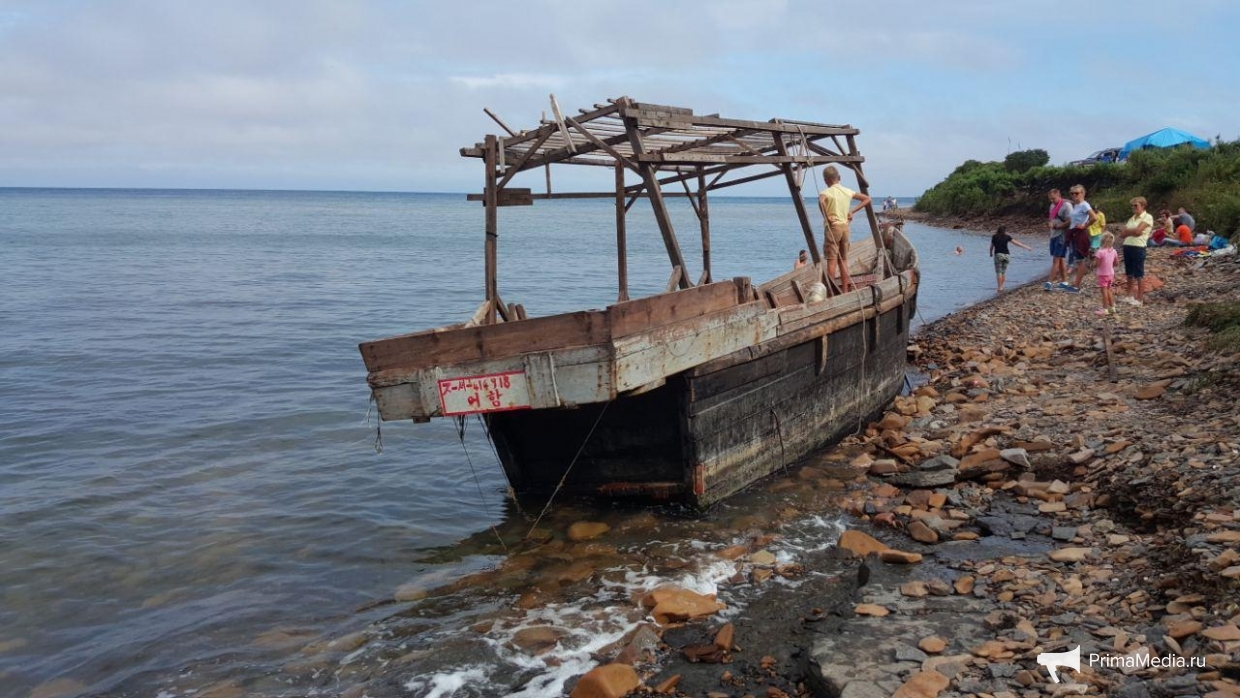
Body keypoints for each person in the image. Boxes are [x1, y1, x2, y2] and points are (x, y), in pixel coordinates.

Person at [818, 166, 871, 293]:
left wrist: (827, 217)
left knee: (832, 260)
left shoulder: (826, 192)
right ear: (839, 178)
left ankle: (830, 292)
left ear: (826, 180)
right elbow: (867, 199)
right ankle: (846, 290)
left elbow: (821, 202)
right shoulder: (847, 191)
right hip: (845, 228)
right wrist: (852, 211)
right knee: (844, 260)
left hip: (833, 228)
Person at [1120, 196, 1153, 306]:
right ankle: (1129, 295)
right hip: (1128, 246)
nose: (1133, 208)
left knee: (1139, 273)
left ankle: (1139, 298)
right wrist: (1132, 231)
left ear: (1143, 206)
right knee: (1129, 273)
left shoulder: (1147, 217)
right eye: (1132, 206)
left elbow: (1138, 231)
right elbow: (1122, 234)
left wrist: (1129, 231)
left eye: (1136, 205)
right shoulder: (1132, 218)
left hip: (1138, 246)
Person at [1066, 185, 1098, 292]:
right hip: (1074, 234)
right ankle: (1075, 283)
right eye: (1072, 193)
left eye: (1077, 193)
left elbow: (1094, 217)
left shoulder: (1084, 205)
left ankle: (1076, 285)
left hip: (1080, 234)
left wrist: (1085, 226)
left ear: (1083, 193)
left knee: (1080, 261)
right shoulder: (1076, 205)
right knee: (1078, 259)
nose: (1074, 195)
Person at [989, 225, 1032, 292]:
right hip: (1007, 256)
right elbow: (1016, 243)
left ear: (998, 230)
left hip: (998, 255)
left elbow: (991, 246)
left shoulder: (994, 236)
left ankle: (999, 287)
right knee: (1003, 272)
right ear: (1005, 231)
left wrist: (991, 253)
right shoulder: (1007, 237)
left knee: (999, 272)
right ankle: (1002, 286)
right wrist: (1026, 247)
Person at [1045, 188, 1072, 290]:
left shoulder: (1066, 206)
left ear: (1059, 195)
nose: (1052, 201)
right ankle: (1064, 281)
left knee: (1056, 259)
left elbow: (1070, 221)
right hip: (1053, 234)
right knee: (1060, 259)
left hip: (1062, 235)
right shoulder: (1052, 206)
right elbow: (1051, 219)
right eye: (1050, 199)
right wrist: (1050, 224)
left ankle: (1049, 282)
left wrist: (1058, 226)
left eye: (1054, 199)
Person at [1093, 232, 1119, 317]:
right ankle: (1112, 307)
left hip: (1102, 274)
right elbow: (1116, 263)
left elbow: (1097, 264)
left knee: (1104, 291)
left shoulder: (1100, 252)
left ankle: (1105, 309)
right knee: (1109, 290)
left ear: (1102, 241)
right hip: (1111, 273)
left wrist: (1092, 263)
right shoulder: (1114, 251)